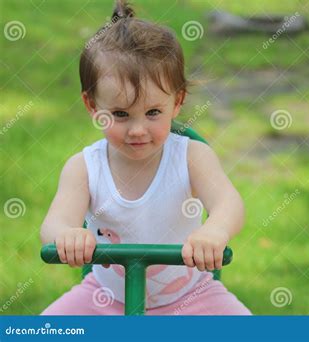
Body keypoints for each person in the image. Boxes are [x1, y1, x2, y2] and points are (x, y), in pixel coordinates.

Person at [40, 0, 250, 315]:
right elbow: (54, 223)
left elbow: (229, 203)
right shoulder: (84, 167)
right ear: (92, 106)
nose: (138, 130)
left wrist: (215, 230)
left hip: (192, 297)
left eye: (153, 112)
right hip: (105, 298)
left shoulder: (191, 157)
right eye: (121, 114)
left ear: (177, 102)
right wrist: (66, 235)